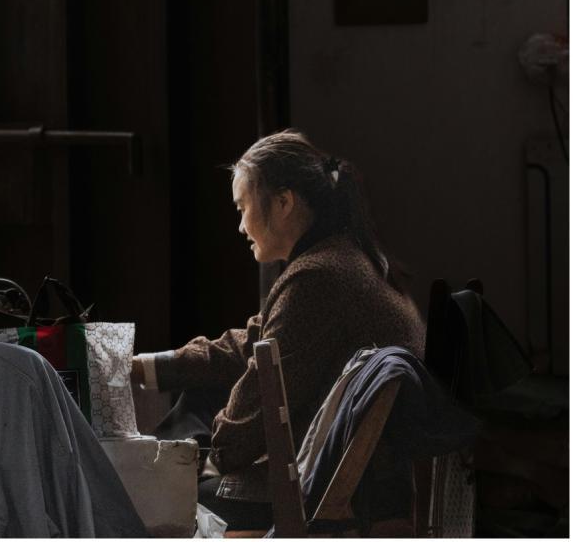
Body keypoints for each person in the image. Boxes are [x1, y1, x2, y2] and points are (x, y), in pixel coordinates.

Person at [131, 129, 426, 530]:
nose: (240, 226)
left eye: (242, 208)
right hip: (359, 477)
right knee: (199, 395)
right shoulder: (341, 259)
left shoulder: (317, 278)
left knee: (151, 502)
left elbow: (259, 398)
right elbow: (253, 341)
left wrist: (208, 460)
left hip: (331, 493)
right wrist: (148, 366)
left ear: (284, 202)